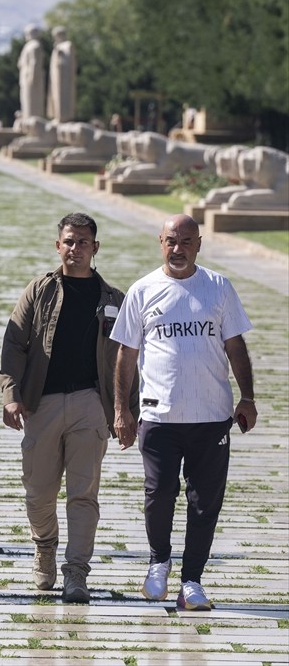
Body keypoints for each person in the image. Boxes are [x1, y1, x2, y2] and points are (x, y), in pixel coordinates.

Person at [110, 214, 257, 611]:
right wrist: (122, 410)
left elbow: (236, 346)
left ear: (199, 245)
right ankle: (159, 561)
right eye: (171, 241)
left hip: (212, 416)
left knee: (205, 502)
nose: (178, 249)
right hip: (159, 415)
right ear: (160, 242)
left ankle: (192, 581)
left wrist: (247, 397)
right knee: (159, 492)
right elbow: (126, 353)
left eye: (186, 241)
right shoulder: (143, 290)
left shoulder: (218, 287)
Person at [0, 212, 138, 604]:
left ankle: (76, 572)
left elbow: (129, 358)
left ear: (95, 248)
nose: (75, 249)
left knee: (83, 494)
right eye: (69, 241)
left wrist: (127, 411)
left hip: (90, 404)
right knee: (38, 492)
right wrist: (11, 394)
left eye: (83, 242)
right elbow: (14, 343)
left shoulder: (114, 300)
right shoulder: (39, 290)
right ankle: (44, 545)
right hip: (41, 404)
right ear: (58, 245)